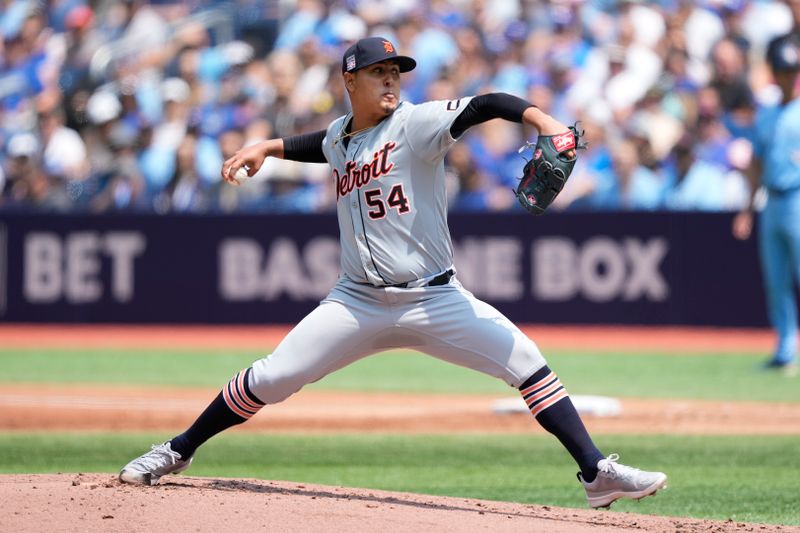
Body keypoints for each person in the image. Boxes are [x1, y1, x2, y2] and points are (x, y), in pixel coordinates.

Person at [118, 37, 667, 508]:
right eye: (379, 72)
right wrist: (267, 146)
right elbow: (322, 146)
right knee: (271, 378)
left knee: (526, 361)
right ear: (349, 81)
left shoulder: (418, 123)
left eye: (395, 72)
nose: (391, 81)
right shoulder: (341, 135)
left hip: (434, 299)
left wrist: (542, 120)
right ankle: (178, 448)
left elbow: (486, 104)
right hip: (355, 301)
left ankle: (597, 474)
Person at [732, 34, 800, 376]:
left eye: (793, 70)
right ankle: (786, 348)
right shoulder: (768, 113)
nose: (789, 76)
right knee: (777, 280)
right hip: (773, 199)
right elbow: (756, 164)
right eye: (784, 70)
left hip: (798, 197)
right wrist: (747, 208)